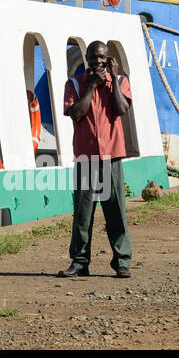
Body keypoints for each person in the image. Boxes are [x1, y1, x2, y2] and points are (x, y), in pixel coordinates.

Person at [58, 41, 133, 279]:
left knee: (116, 211)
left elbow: (121, 109)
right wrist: (91, 86)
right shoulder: (74, 84)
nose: (98, 62)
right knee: (82, 213)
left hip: (111, 155)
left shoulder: (120, 82)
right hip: (85, 156)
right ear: (87, 59)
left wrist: (115, 79)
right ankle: (80, 262)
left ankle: (122, 262)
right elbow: (77, 113)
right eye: (94, 58)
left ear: (109, 59)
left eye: (102, 58)